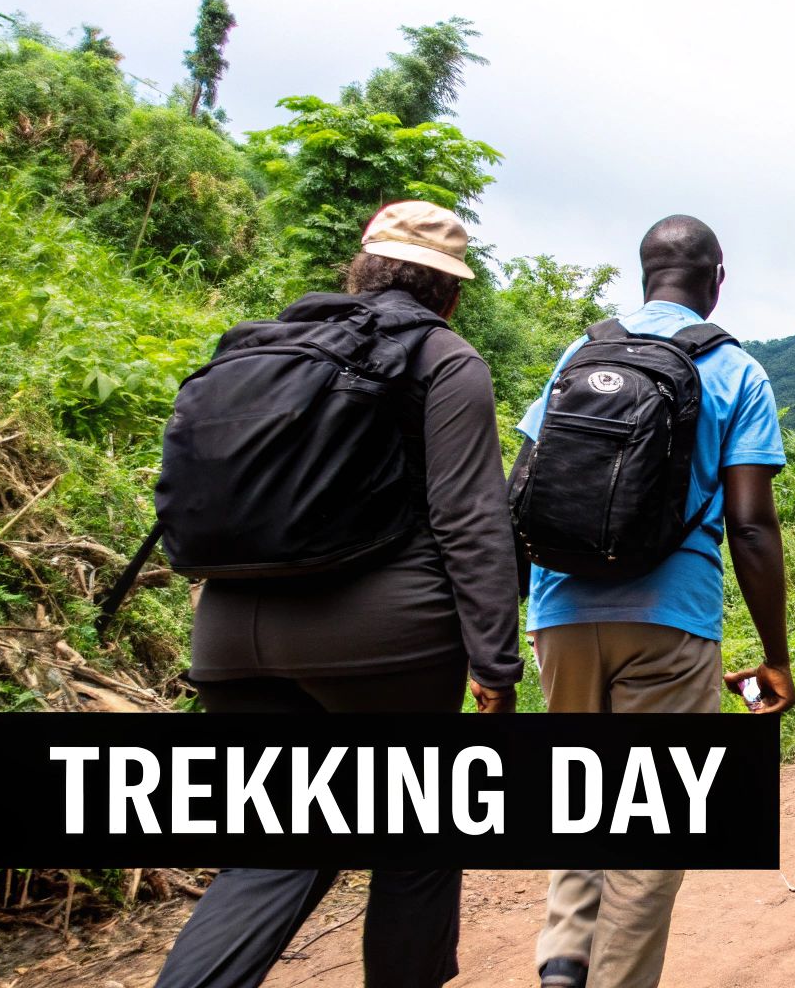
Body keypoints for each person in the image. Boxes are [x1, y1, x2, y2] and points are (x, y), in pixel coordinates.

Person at [155, 201, 521, 988]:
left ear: (359, 268)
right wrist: (496, 664)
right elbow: (470, 521)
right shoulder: (444, 357)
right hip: (383, 640)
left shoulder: (262, 345)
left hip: (226, 633)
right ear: (449, 293)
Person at [519, 214, 795, 988]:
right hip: (670, 620)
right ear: (717, 280)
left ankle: (564, 956)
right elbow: (750, 524)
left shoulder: (581, 353)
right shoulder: (737, 371)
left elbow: (524, 487)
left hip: (561, 613)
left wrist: (500, 636)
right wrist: (774, 657)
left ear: (644, 274)